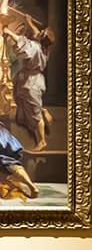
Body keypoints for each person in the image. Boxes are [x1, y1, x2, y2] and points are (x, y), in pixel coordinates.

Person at [4, 16, 54, 151]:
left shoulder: (36, 48)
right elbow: (37, 33)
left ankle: (42, 140)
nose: (39, 32)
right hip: (32, 79)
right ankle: (42, 110)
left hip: (31, 83)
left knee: (34, 114)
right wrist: (30, 21)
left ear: (42, 39)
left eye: (41, 33)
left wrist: (8, 32)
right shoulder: (45, 47)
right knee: (25, 102)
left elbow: (21, 41)